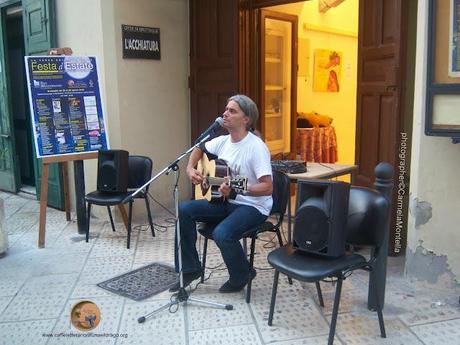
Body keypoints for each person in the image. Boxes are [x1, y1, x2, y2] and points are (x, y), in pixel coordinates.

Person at [170, 94, 273, 293]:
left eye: (232, 111)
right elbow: (199, 148)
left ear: (246, 119)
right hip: (226, 200)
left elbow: (267, 187)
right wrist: (190, 169)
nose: (225, 114)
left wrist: (236, 187)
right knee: (183, 209)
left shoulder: (256, 148)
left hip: (254, 206)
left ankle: (242, 273)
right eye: (226, 109)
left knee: (222, 233)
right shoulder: (222, 141)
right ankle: (190, 269)